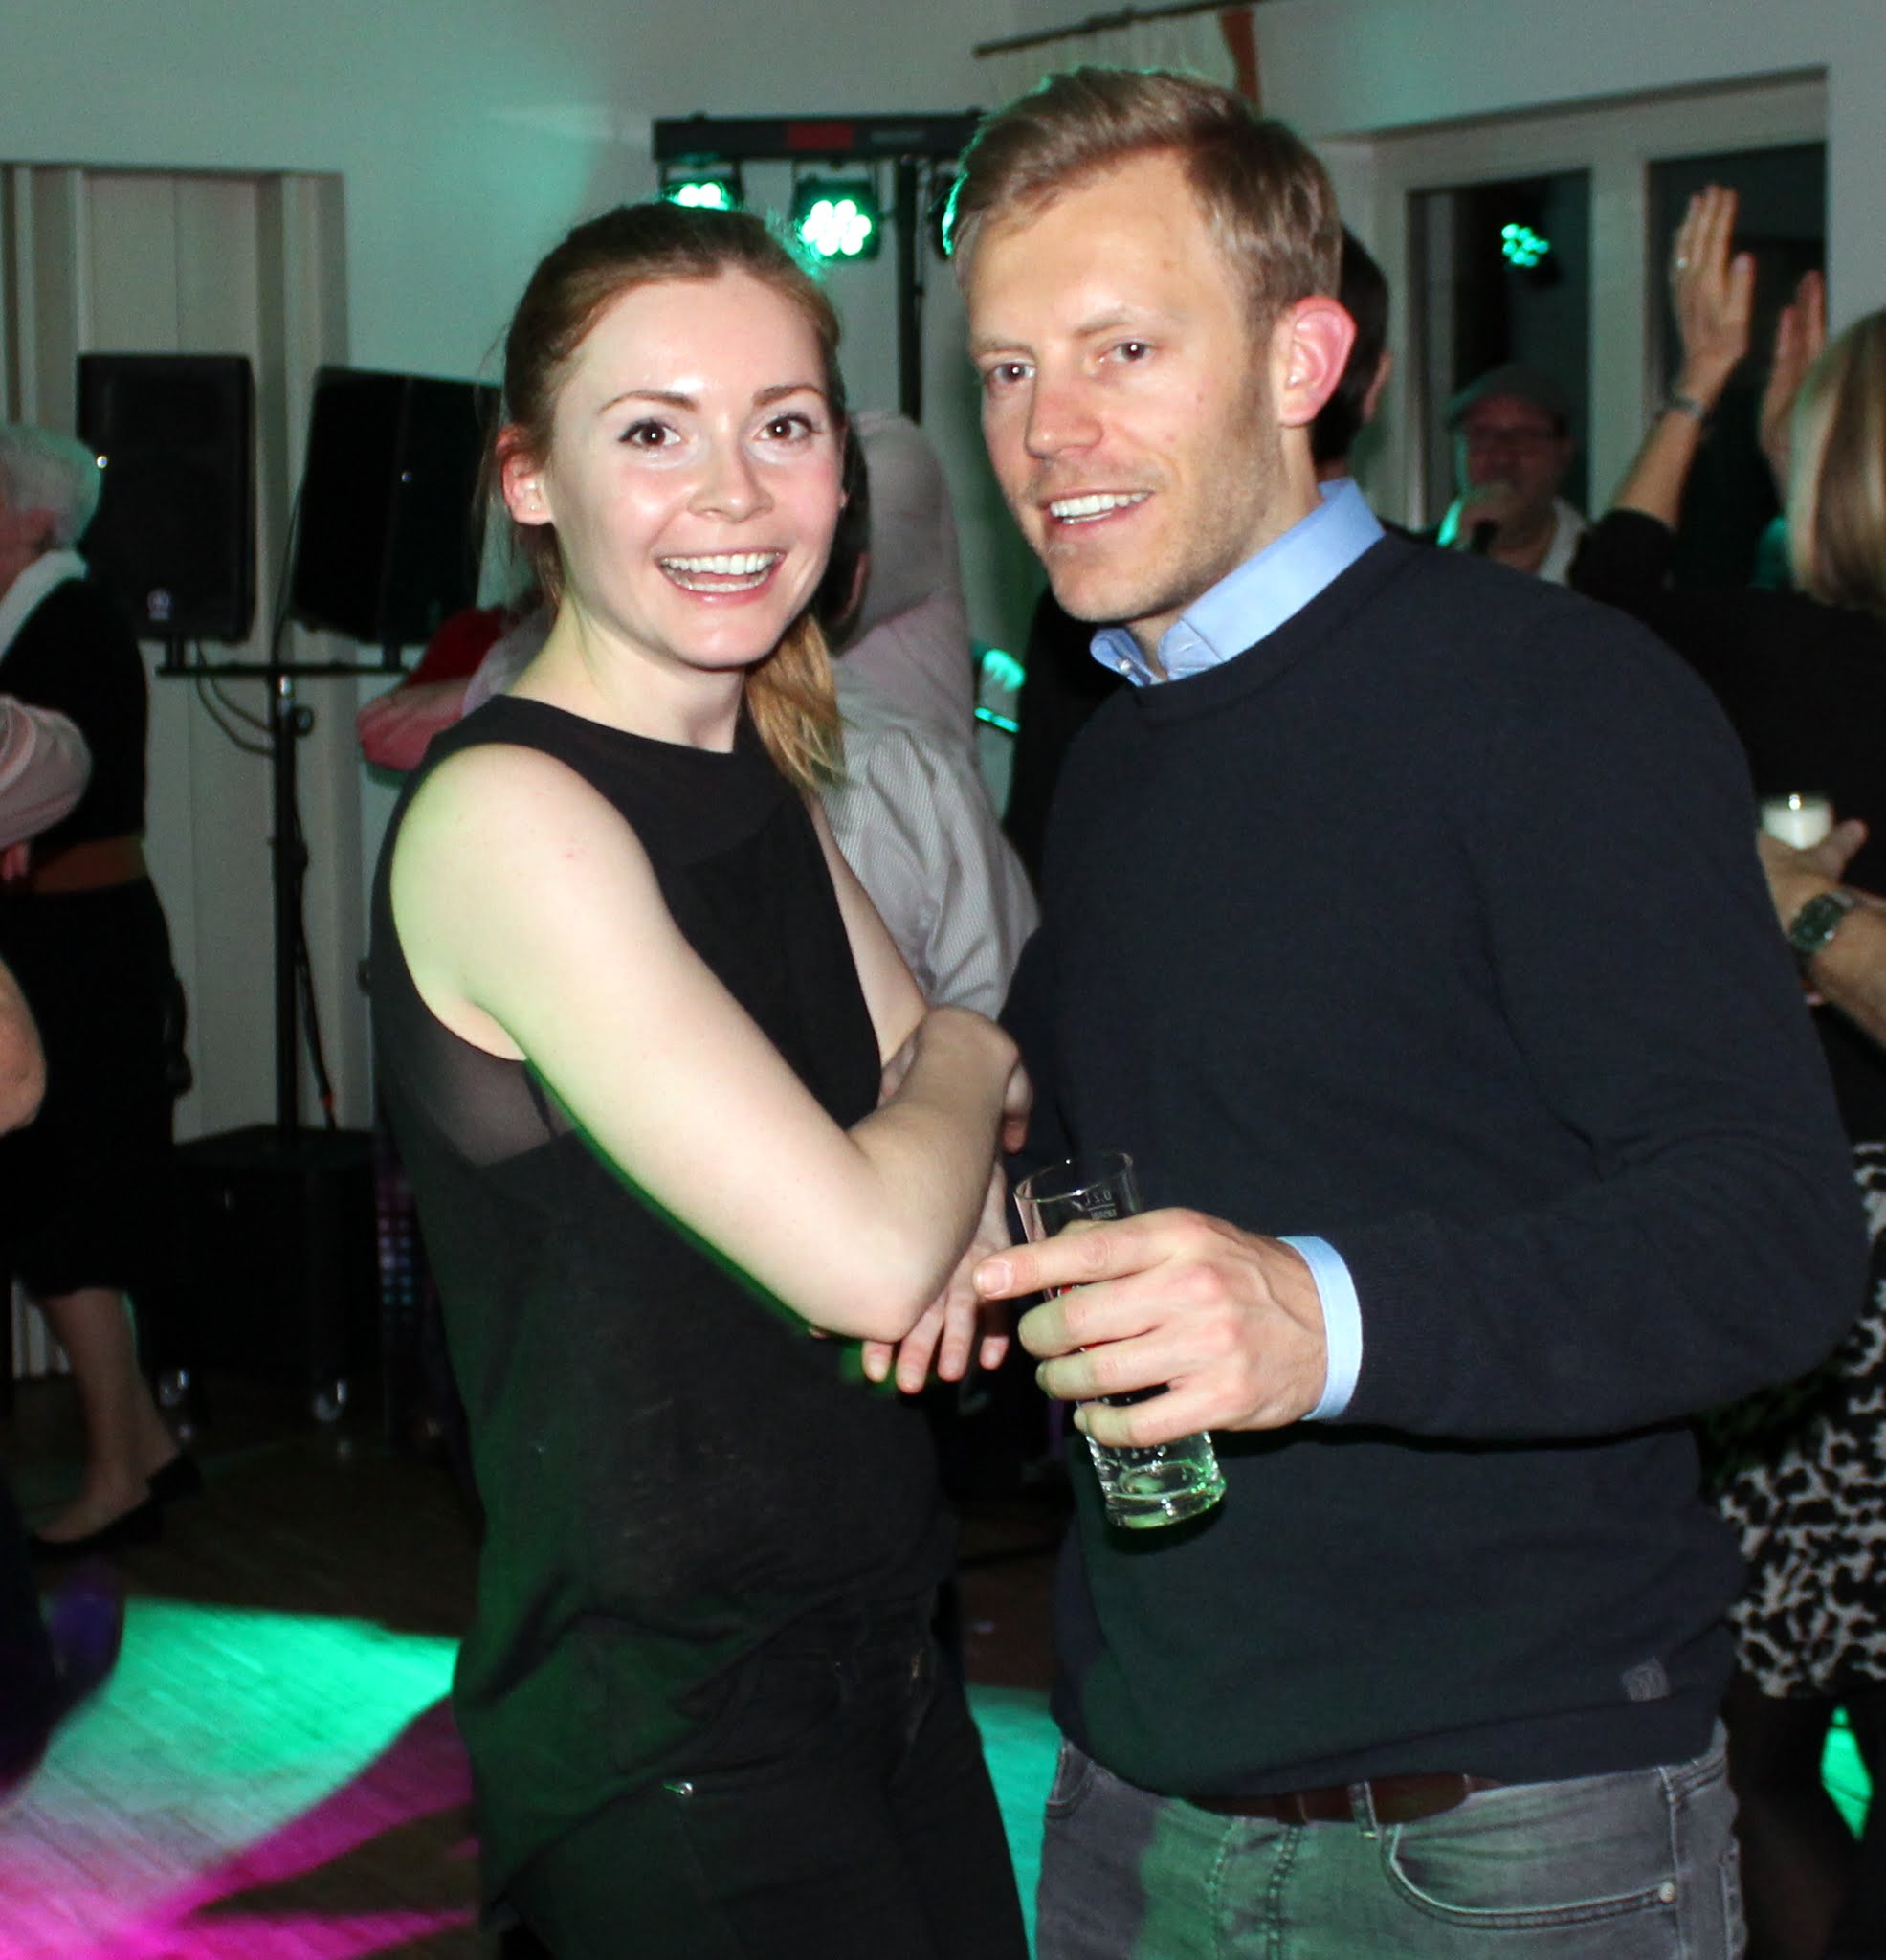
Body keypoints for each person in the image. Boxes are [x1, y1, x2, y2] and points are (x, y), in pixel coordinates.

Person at [947, 66, 1863, 1958]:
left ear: (1303, 359)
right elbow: (1129, 1124)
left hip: (1494, 1828)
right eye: (1007, 369)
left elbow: (1770, 1243)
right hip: (1132, 1784)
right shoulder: (1120, 736)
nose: (1047, 430)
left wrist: (1323, 1317)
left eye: (1123, 350)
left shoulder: (1550, 699)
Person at [369, 200, 1032, 1958]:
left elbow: (955, 1162)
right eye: (654, 432)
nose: (734, 493)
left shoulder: (756, 772)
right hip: (670, 1731)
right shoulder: (511, 816)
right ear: (531, 478)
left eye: (781, 424)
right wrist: (971, 1052)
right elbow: (883, 1237)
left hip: (873, 1650)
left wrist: (941, 1119)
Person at [1571, 184, 1886, 1960]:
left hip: (1814, 1244)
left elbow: (1602, 591)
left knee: (1757, 1739)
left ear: (1815, 470)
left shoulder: (1760, 661)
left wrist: (1701, 394)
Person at [0, 424, 195, 1557]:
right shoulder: (51, 620)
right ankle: (149, 1447)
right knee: (64, 1214)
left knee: (66, 1221)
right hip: (66, 941)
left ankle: (119, 1474)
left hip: (75, 946)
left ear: (34, 519)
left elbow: (56, 795)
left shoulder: (69, 624)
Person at [1428, 360, 1587, 578]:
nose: (1502, 457)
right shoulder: (1410, 569)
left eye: (1525, 437)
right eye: (1482, 436)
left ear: (1564, 453)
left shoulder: (1611, 574)